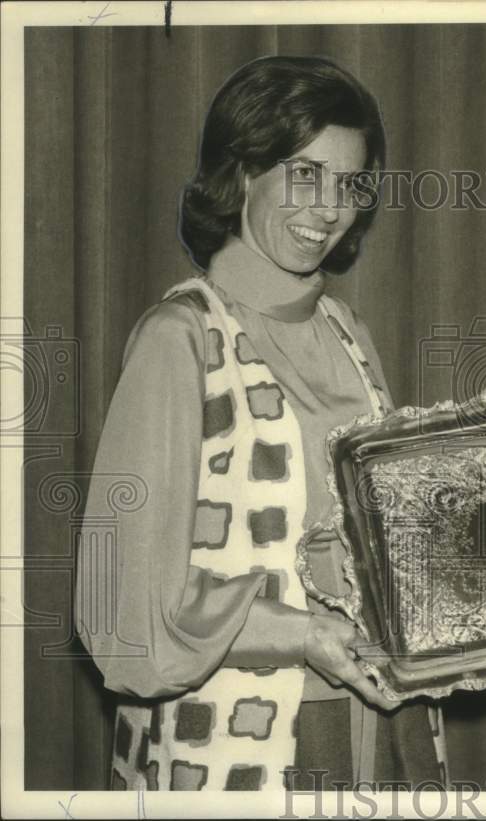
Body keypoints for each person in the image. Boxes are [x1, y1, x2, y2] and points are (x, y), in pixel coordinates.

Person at [75, 56, 442, 791]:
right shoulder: (178, 340)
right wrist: (302, 633)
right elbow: (121, 614)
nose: (330, 208)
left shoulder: (347, 330)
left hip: (378, 714)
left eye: (350, 184)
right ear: (244, 171)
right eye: (306, 175)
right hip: (243, 738)